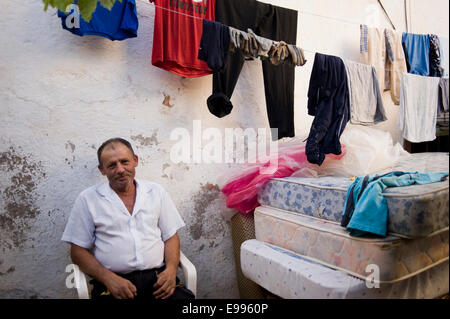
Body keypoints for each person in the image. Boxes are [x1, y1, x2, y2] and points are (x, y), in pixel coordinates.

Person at [62, 138, 194, 300]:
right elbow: (78, 252)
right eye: (112, 165)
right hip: (113, 283)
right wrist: (109, 279)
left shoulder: (156, 192)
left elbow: (171, 237)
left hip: (158, 280)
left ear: (135, 161)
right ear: (102, 170)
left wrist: (171, 270)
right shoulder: (88, 199)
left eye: (125, 162)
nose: (120, 170)